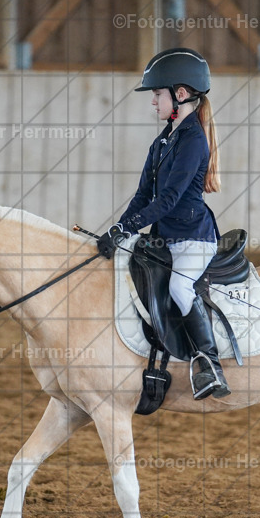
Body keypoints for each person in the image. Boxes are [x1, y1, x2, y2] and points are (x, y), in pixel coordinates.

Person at [97, 47, 229, 400]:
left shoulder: (193, 141)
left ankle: (209, 363)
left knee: (179, 290)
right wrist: (119, 229)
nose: (152, 102)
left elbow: (167, 200)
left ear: (180, 95)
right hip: (163, 239)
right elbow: (143, 196)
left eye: (157, 94)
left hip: (192, 239)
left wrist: (129, 228)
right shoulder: (163, 141)